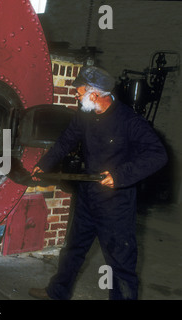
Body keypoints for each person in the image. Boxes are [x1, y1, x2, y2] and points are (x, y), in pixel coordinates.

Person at [28, 66, 168, 300]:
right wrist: (44, 164)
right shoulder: (85, 115)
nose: (75, 94)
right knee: (71, 251)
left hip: (116, 205)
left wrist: (121, 175)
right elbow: (65, 141)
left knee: (120, 264)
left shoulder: (129, 121)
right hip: (87, 197)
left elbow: (158, 155)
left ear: (94, 94)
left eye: (79, 91)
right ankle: (57, 292)